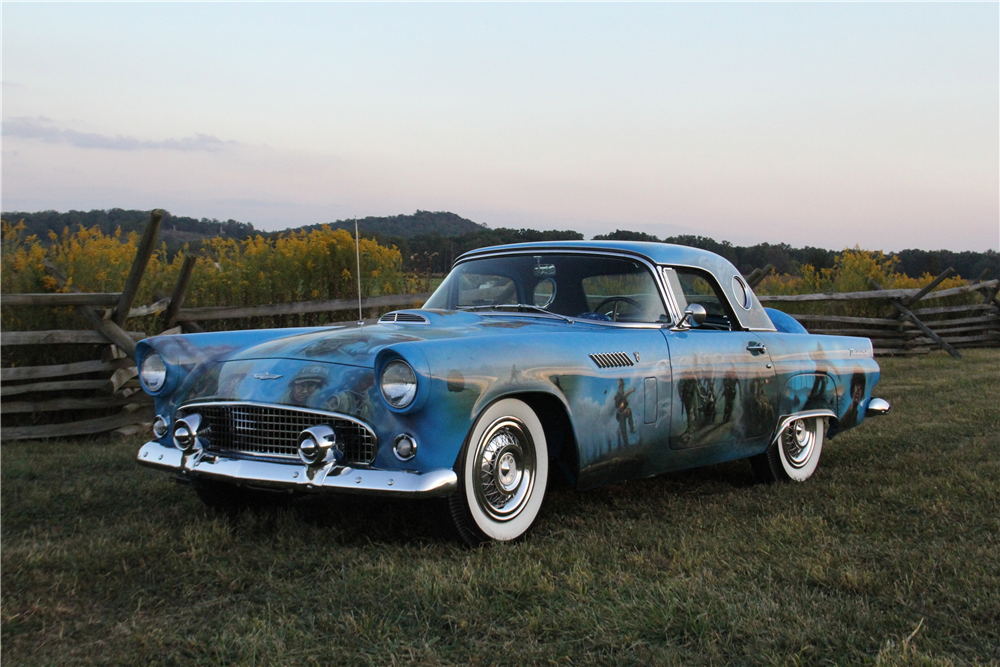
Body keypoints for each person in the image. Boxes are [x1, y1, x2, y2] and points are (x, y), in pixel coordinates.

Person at [615, 378, 637, 446]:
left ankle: (631, 428)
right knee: (623, 430)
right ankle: (626, 444)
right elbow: (624, 395)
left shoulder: (621, 392)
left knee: (629, 411)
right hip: (620, 413)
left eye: (622, 385)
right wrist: (631, 391)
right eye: (620, 385)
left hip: (624, 411)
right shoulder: (619, 393)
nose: (622, 386)